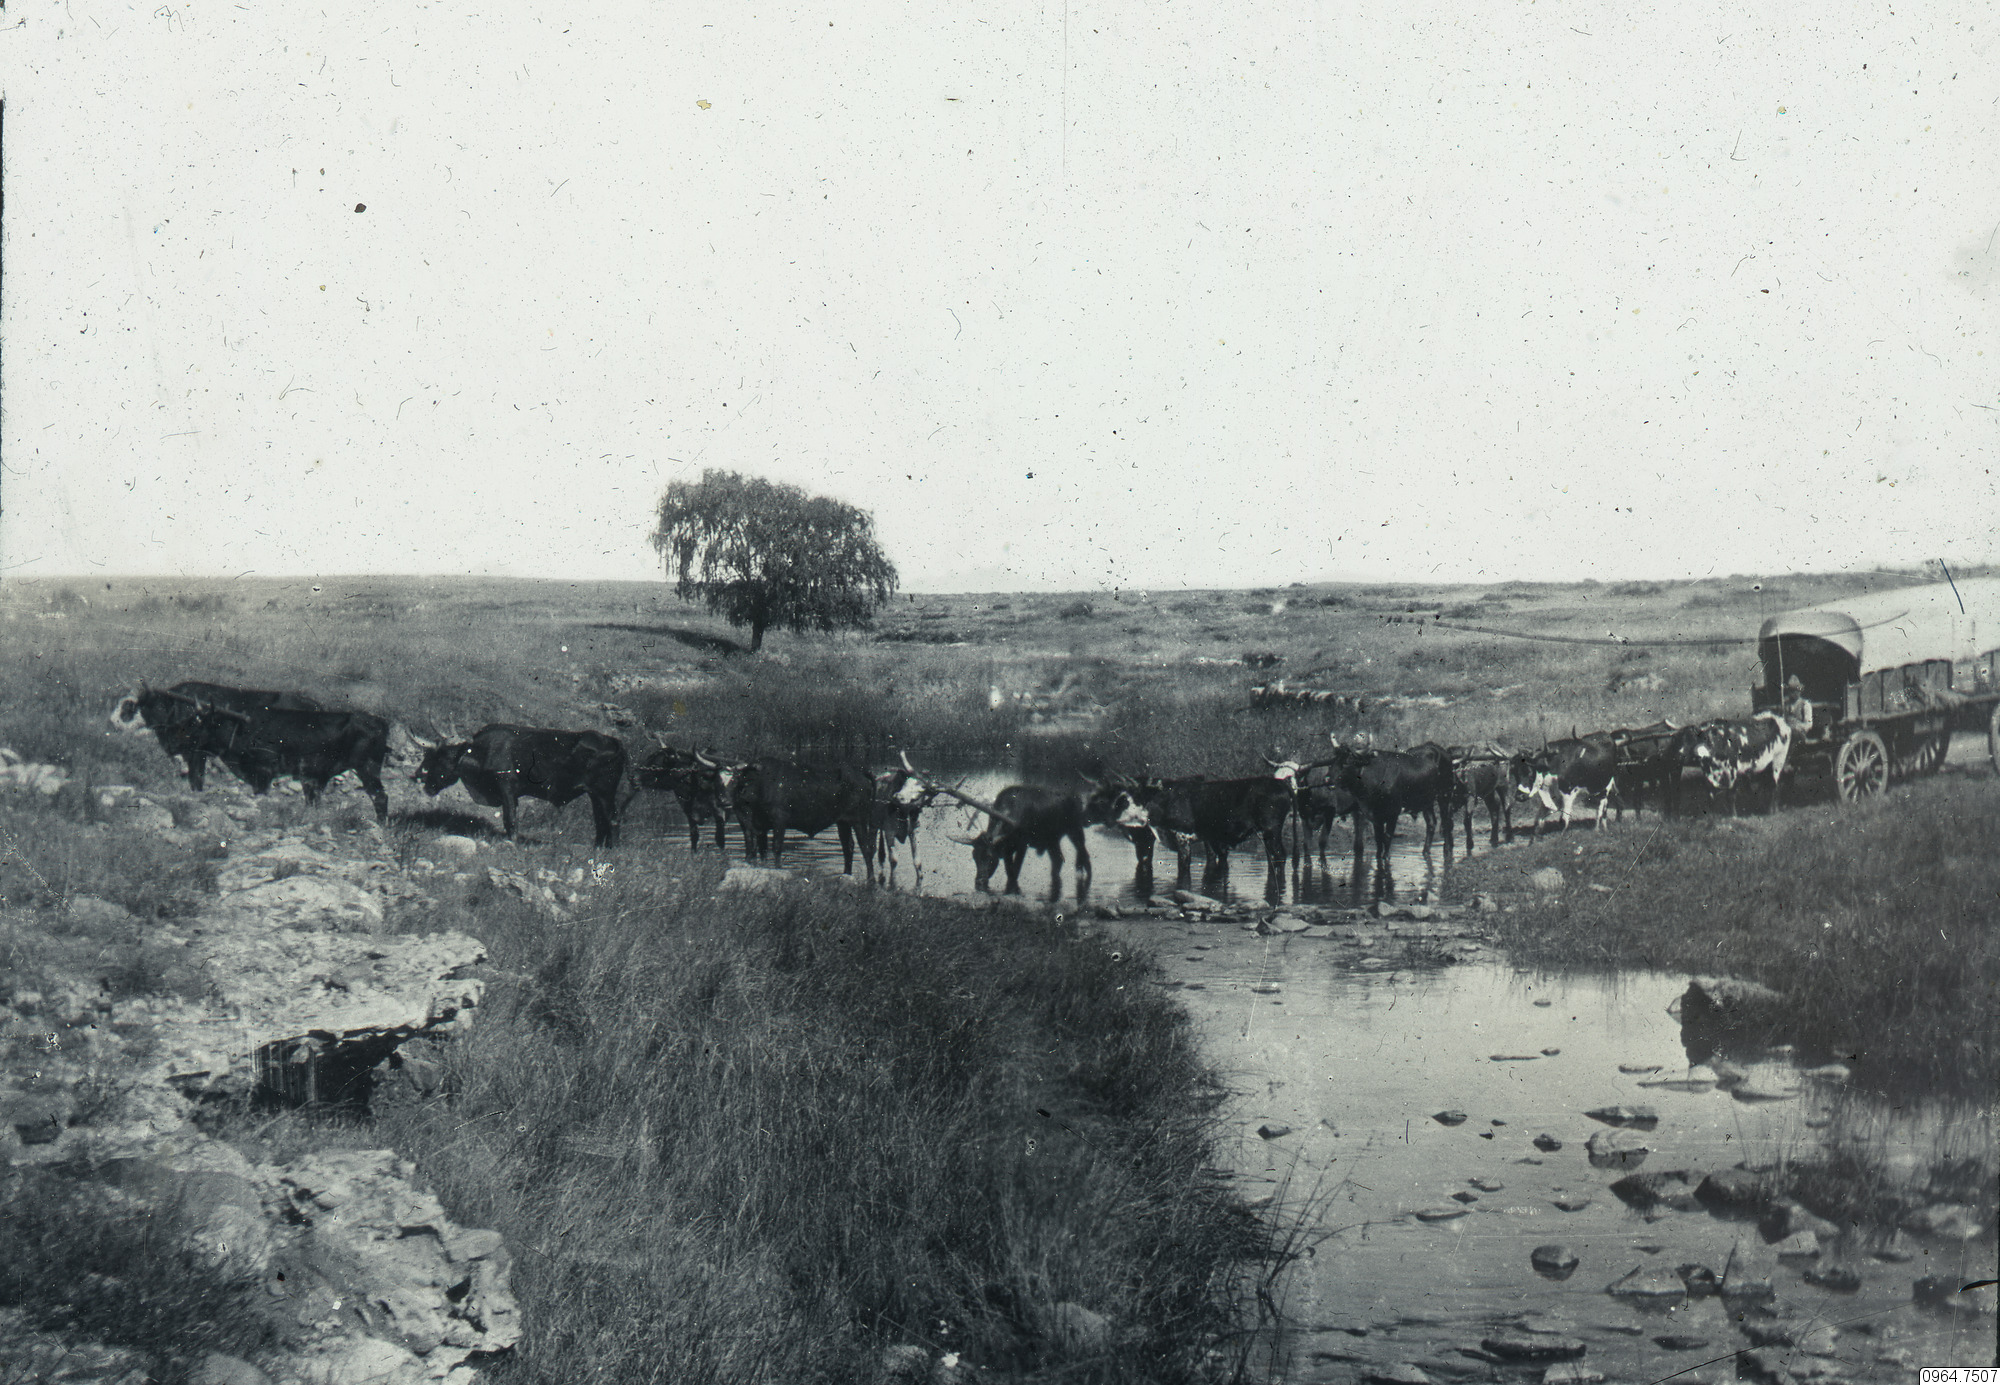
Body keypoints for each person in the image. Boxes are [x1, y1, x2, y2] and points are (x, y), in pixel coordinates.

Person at [1782, 675, 1815, 739]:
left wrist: (1797, 727)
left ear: (1799, 691)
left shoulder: (1805, 704)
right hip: (1786, 734)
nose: (1793, 693)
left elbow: (1809, 724)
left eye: (1796, 690)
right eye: (1791, 691)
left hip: (1799, 734)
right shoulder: (1786, 704)